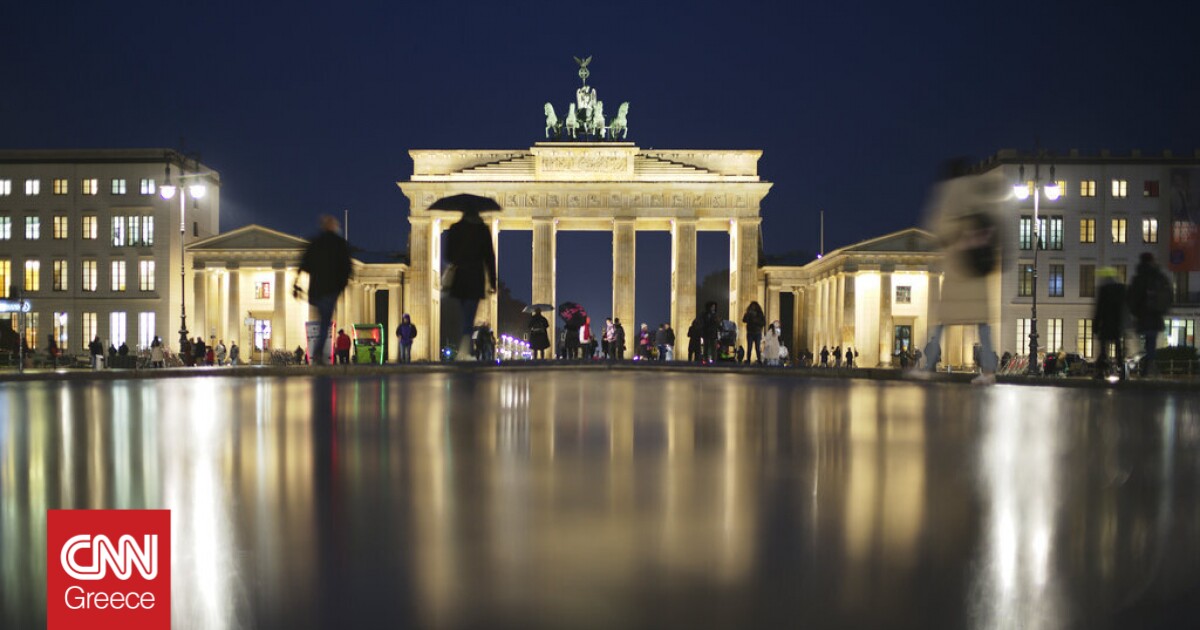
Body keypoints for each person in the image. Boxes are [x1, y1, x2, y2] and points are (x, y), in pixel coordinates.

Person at [919, 159, 1009, 385]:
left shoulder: (951, 191)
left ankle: (927, 367)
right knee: (983, 324)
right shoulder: (980, 191)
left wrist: (952, 230)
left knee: (941, 321)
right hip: (977, 268)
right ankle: (988, 372)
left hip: (959, 266)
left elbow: (941, 228)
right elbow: (997, 221)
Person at [296, 215, 352, 366]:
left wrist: (298, 281)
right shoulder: (339, 243)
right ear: (333, 227)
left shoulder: (315, 242)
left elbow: (305, 264)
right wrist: (341, 285)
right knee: (325, 321)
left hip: (316, 290)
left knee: (322, 319)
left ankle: (317, 351)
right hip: (330, 290)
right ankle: (318, 351)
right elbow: (346, 267)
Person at [443, 206, 497, 361]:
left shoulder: (455, 228)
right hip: (475, 277)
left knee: (466, 314)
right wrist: (492, 281)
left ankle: (466, 347)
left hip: (460, 278)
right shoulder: (482, 230)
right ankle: (467, 348)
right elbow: (489, 257)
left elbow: (448, 255)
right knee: (470, 314)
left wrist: (460, 255)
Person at [1127, 252, 1173, 376]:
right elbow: (1169, 294)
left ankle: (1147, 365)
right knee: (1151, 340)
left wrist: (1135, 312)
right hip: (1156, 315)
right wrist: (1164, 309)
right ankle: (1150, 364)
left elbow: (1131, 297)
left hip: (1142, 316)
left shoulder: (1138, 277)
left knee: (1144, 341)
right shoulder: (1159, 276)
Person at [1091, 267, 1126, 378]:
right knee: (1118, 346)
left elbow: (1099, 309)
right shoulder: (1121, 289)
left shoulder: (1104, 290)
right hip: (1117, 324)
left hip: (1106, 324)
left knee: (1103, 348)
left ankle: (1102, 368)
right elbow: (1124, 308)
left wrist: (1095, 325)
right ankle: (1121, 366)